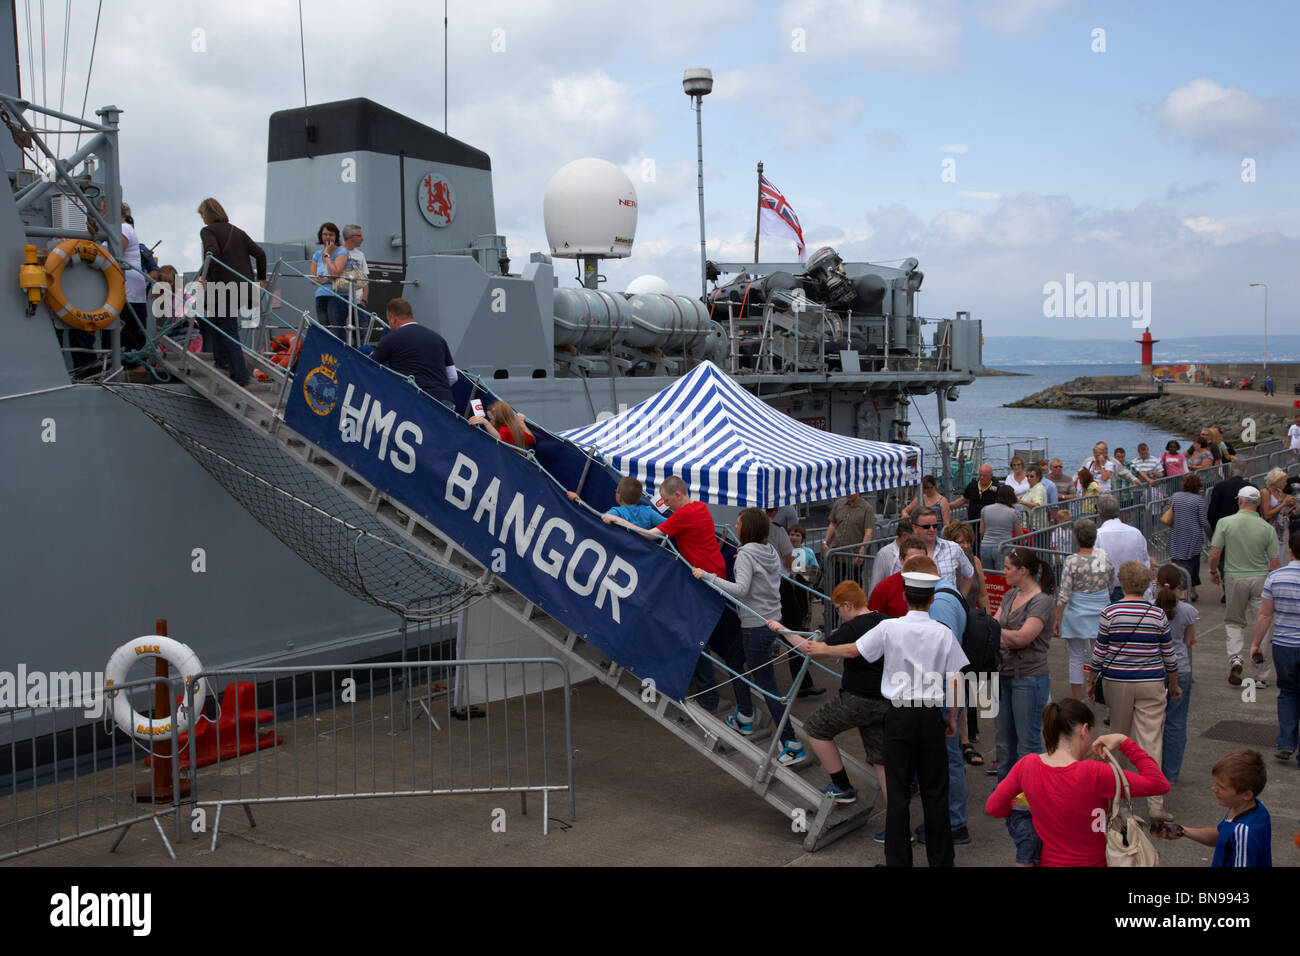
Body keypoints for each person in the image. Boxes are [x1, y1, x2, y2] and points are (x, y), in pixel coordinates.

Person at [789, 560, 967, 867]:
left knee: (897, 794)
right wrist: (951, 717)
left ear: (905, 596)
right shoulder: (942, 633)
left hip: (898, 715)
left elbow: (853, 650)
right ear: (932, 599)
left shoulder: (889, 627)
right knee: (935, 792)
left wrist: (820, 650)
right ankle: (942, 861)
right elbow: (956, 679)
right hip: (929, 716)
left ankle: (898, 861)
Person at [605, 475, 734, 712]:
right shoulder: (700, 508)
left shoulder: (684, 515)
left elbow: (649, 535)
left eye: (666, 500)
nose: (665, 505)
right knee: (696, 635)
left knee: (693, 637)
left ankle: (708, 697)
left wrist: (615, 519)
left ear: (677, 495)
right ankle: (705, 691)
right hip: (714, 576)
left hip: (703, 581)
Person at [986, 699, 1169, 867]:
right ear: (1083, 730)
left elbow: (994, 807)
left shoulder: (1027, 765)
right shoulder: (1096, 773)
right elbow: (1158, 783)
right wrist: (1124, 741)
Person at [692, 509, 806, 767]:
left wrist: (708, 576)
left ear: (747, 528)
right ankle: (744, 716)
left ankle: (792, 744)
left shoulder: (744, 556)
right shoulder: (770, 552)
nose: (735, 524)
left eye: (739, 522)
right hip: (772, 622)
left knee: (769, 688)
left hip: (755, 626)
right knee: (734, 661)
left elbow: (740, 589)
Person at [772, 582, 888, 805]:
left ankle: (842, 786)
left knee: (815, 728)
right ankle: (897, 822)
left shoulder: (851, 627)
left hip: (858, 697)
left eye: (837, 608)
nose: (837, 613)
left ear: (847, 605)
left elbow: (812, 650)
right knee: (880, 759)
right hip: (884, 698)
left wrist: (782, 630)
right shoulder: (884, 620)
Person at [1086, 560, 1180, 823]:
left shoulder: (1110, 613)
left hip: (1118, 681)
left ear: (1122, 583)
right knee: (1151, 741)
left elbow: (1100, 652)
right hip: (1151, 680)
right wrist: (1174, 684)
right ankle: (1155, 804)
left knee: (1118, 738)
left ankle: (1122, 804)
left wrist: (1091, 680)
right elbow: (1169, 656)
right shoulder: (1158, 615)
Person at [995, 547, 1057, 863]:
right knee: (1004, 744)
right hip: (1004, 675)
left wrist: (997, 634)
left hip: (1029, 679)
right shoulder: (1009, 597)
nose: (1003, 572)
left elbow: (1022, 638)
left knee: (1028, 745)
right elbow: (1005, 632)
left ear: (1024, 570)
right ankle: (1008, 797)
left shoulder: (1042, 601)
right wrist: (1002, 634)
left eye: (1008, 568)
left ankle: (1028, 803)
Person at [1209, 485, 1280, 686]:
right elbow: (1275, 563)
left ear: (1240, 501)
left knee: (1234, 621)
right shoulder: (1267, 528)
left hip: (1234, 578)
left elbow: (1215, 554)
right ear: (1257, 503)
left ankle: (1236, 658)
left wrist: (1214, 572)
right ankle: (1261, 674)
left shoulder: (1225, 523)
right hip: (1261, 579)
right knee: (1263, 623)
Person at [1155, 750, 1271, 867]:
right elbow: (1222, 836)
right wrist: (1183, 831)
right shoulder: (1249, 807)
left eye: (1221, 786)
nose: (1213, 788)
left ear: (1246, 795)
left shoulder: (1244, 833)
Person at [198, 197, 266, 387]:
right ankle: (222, 361)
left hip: (221, 287)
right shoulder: (237, 231)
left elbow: (212, 252)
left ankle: (240, 375)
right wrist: (262, 277)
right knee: (219, 323)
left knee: (227, 330)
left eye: (203, 214)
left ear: (208, 214)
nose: (202, 219)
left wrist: (203, 275)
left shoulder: (207, 231)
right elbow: (260, 253)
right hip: (243, 286)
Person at [1251, 533, 1300, 766]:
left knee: (1288, 693)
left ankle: (1286, 742)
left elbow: (1265, 614)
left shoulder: (1275, 577)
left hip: (1284, 645)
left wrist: (1255, 643)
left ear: (1290, 550)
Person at [1054, 519, 1114, 700]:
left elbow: (1064, 593)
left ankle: (1076, 698)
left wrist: (1057, 619)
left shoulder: (1072, 561)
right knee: (1101, 654)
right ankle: (1101, 693)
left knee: (1076, 657)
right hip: (1101, 611)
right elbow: (1110, 585)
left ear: (1076, 538)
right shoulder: (1104, 557)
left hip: (1077, 613)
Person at [369, 298, 458, 405]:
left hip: (413, 401)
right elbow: (453, 376)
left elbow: (368, 365)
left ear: (393, 319)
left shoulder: (392, 338)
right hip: (443, 400)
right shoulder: (438, 339)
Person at [1155, 564, 1197, 784]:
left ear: (1156, 583)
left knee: (1151, 721)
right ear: (1181, 584)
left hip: (1153, 669)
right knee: (1176, 721)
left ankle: (1150, 769)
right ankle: (1170, 773)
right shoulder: (1189, 611)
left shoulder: (1151, 609)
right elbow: (1190, 641)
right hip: (1180, 668)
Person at [1095, 495, 1153, 601]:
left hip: (1111, 590)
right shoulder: (1136, 532)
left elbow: (1098, 568)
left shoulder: (1098, 535)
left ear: (1100, 514)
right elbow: (1145, 561)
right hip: (1136, 587)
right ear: (1118, 511)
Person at [1207, 460, 1252, 588]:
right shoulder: (1251, 487)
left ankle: (1228, 585)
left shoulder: (1219, 487)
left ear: (1230, 471)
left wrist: (1214, 530)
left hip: (1223, 529)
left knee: (1222, 558)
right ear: (1245, 472)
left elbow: (1211, 511)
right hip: (1245, 530)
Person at [1168, 473, 1211, 602]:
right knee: (1192, 564)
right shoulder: (1198, 500)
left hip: (1176, 534)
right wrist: (1210, 535)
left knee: (1177, 562)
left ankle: (1184, 589)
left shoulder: (1175, 497)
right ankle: (1186, 591)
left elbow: (1166, 510)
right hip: (1193, 536)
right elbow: (1204, 521)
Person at [822, 492, 875, 589]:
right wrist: (826, 541)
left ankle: (856, 603)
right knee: (835, 583)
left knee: (854, 584)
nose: (848, 493)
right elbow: (833, 524)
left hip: (854, 555)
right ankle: (836, 603)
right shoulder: (839, 503)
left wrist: (862, 551)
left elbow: (868, 531)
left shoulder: (867, 508)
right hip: (837, 554)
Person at [868, 535, 928, 617]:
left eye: (921, 560)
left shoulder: (935, 585)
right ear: (901, 559)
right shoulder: (883, 589)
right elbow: (873, 621)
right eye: (912, 560)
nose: (917, 564)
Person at [572, 475, 662, 530]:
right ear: (639, 498)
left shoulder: (616, 512)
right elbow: (667, 523)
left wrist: (578, 500)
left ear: (618, 497)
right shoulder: (648, 512)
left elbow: (595, 519)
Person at [311, 222, 348, 338]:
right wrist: (328, 280)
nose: (327, 237)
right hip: (321, 296)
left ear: (336, 236)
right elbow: (313, 278)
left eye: (331, 235)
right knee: (324, 330)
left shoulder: (341, 252)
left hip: (337, 296)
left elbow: (335, 273)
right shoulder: (317, 254)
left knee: (338, 331)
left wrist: (327, 255)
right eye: (325, 234)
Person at [867, 515, 913, 596]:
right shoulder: (884, 554)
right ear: (905, 536)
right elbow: (875, 585)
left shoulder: (920, 550)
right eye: (915, 536)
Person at [339, 224, 369, 343]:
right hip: (341, 300)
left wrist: (364, 300)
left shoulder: (361, 255)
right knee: (341, 334)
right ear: (351, 237)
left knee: (361, 335)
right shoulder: (337, 253)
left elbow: (365, 279)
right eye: (360, 235)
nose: (362, 238)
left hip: (358, 302)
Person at [978, 484, 1020, 569]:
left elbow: (981, 531)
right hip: (1003, 547)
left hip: (985, 546)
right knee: (1002, 577)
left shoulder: (985, 509)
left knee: (988, 578)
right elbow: (1019, 534)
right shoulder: (1014, 513)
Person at [958, 463, 1001, 541]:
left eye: (984, 476)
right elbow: (963, 499)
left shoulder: (996, 489)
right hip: (973, 523)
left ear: (991, 476)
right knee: (975, 543)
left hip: (989, 525)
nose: (981, 477)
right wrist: (948, 505)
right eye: (980, 475)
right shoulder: (972, 485)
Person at [469, 400, 534, 449]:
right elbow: (532, 440)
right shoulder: (516, 430)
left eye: (491, 419)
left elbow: (499, 440)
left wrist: (485, 422)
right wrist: (521, 423)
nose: (490, 421)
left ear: (499, 419)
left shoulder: (504, 430)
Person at [1261, 467, 1296, 549]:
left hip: (1280, 531)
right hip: (1269, 531)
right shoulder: (1265, 492)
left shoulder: (1279, 491)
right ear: (1277, 481)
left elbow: (1280, 512)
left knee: (1280, 559)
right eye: (1284, 481)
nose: (1286, 483)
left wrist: (1290, 511)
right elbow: (1266, 515)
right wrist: (1284, 504)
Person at [1019, 464, 1050, 530]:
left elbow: (1037, 505)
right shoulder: (1032, 487)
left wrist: (1022, 502)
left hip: (1035, 527)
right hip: (1029, 524)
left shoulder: (1038, 488)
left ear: (1038, 477)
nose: (1028, 478)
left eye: (1031, 476)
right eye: (1027, 476)